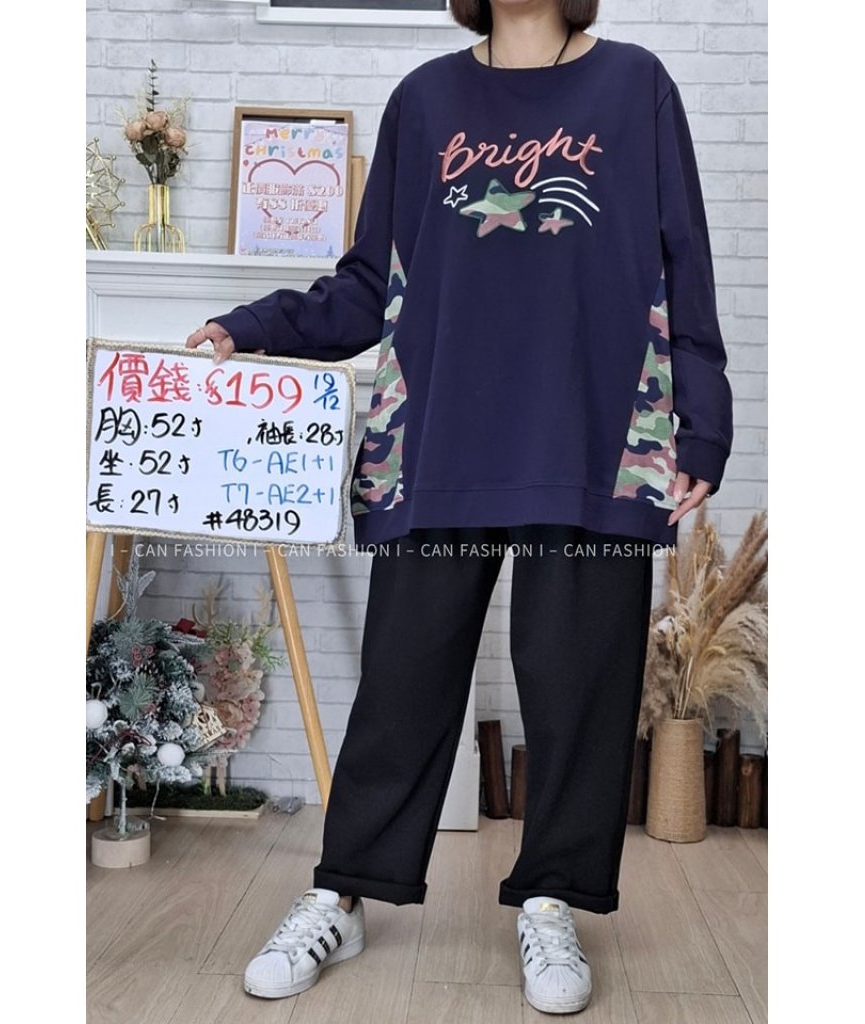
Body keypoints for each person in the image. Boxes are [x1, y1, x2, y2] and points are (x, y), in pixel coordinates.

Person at [186, 0, 732, 1015]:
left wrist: (701, 419)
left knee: (577, 684)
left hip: (594, 439)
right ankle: (343, 892)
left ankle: (551, 898)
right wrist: (254, 327)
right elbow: (368, 284)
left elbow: (681, 262)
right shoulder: (425, 100)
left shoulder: (636, 87)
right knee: (403, 678)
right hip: (438, 439)